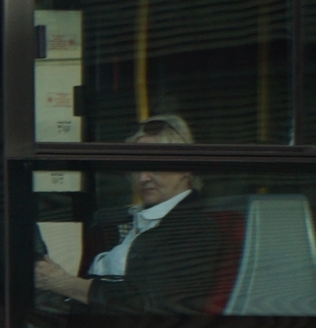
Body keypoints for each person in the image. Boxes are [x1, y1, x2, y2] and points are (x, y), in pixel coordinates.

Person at [34, 115, 223, 315]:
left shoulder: (196, 228)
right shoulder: (116, 219)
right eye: (135, 166)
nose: (143, 178)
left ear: (185, 167)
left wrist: (64, 283)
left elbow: (148, 302)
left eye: (154, 165)